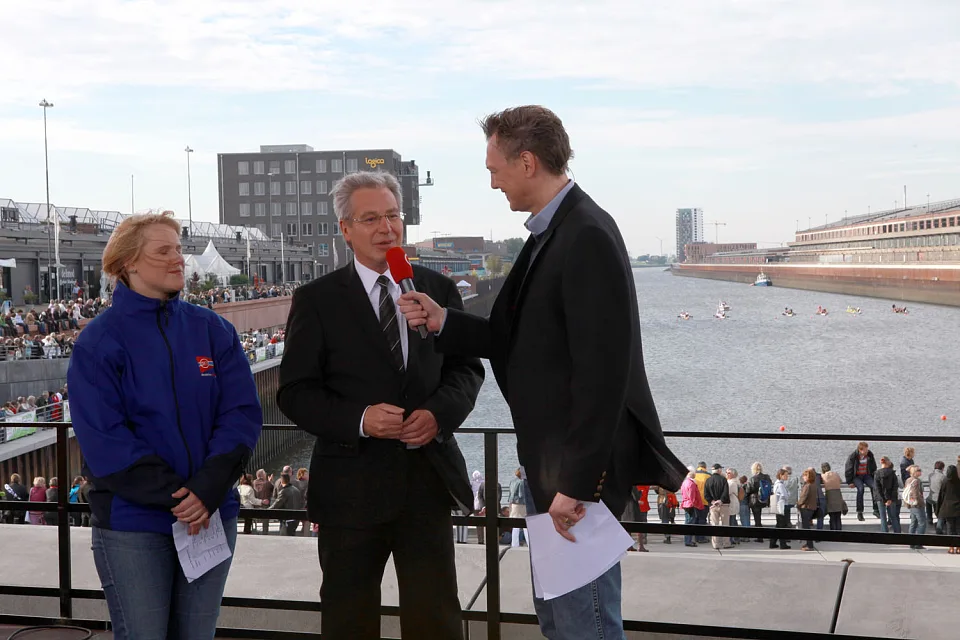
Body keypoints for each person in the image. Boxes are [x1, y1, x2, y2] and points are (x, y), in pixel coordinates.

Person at [398, 105, 686, 639]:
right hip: (555, 470)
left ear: (527, 162)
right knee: (560, 620)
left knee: (584, 625)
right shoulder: (554, 232)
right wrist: (444, 321)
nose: (493, 183)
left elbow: (604, 374)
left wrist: (577, 484)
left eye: (495, 169)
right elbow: (514, 338)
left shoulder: (585, 234)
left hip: (575, 482)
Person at [277, 171, 484, 640]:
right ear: (345, 230)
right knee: (349, 620)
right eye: (370, 218)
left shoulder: (436, 289)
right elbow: (295, 391)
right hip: (349, 492)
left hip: (426, 484)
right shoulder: (317, 300)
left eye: (392, 215)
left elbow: (466, 370)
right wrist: (361, 419)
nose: (386, 228)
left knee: (436, 619)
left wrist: (439, 414)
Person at [67, 212, 263, 640]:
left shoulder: (213, 330)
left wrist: (207, 489)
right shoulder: (99, 342)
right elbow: (104, 437)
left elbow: (241, 412)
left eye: (178, 249)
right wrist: (182, 496)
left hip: (210, 514)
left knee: (197, 633)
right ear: (128, 263)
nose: (178, 259)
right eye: (163, 251)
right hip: (133, 523)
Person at [845, 441, 879, 521]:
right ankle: (859, 512)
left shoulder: (870, 455)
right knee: (861, 489)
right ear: (860, 450)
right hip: (857, 476)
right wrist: (849, 482)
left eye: (867, 449)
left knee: (875, 487)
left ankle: (876, 510)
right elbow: (848, 469)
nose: (867, 451)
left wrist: (874, 477)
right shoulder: (853, 456)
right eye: (865, 450)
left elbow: (874, 467)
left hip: (866, 475)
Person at [874, 456, 902, 534]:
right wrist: (890, 499)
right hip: (892, 498)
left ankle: (885, 534)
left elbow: (877, 488)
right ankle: (897, 533)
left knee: (883, 517)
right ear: (888, 462)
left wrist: (883, 499)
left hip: (880, 499)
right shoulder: (892, 473)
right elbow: (895, 487)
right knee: (893, 517)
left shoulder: (877, 473)